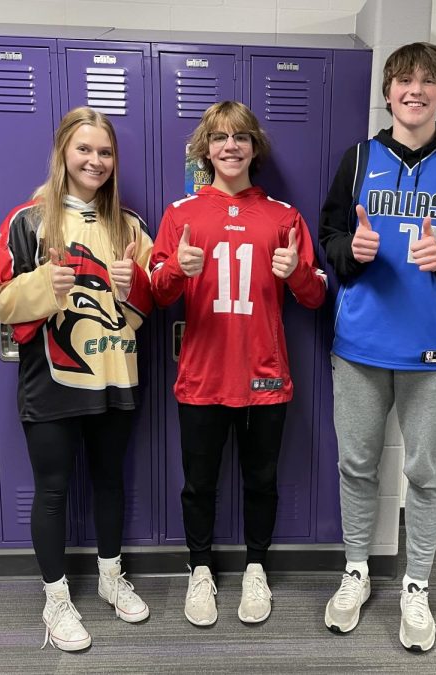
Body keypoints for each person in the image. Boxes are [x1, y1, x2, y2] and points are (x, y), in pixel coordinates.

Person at [318, 42, 436, 652]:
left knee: (426, 474)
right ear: (388, 91)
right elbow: (329, 236)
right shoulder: (358, 159)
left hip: (431, 353)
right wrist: (353, 252)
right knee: (357, 466)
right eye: (404, 80)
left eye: (428, 81)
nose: (415, 90)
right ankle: (355, 571)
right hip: (359, 348)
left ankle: (416, 584)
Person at [0, 106, 153, 651]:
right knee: (52, 491)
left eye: (104, 152)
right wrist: (42, 284)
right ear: (63, 153)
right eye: (84, 149)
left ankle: (109, 577)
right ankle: (56, 600)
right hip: (51, 382)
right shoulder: (26, 221)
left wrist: (134, 286)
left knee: (110, 482)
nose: (95, 160)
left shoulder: (129, 226)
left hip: (114, 375)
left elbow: (152, 303)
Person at [150, 101, 327, 627]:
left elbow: (316, 296)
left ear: (255, 148)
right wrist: (177, 273)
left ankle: (256, 567)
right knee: (198, 484)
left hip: (265, 375)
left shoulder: (283, 216)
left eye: (241, 137)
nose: (231, 146)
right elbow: (158, 295)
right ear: (206, 148)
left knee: (262, 480)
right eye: (220, 137)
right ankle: (199, 569)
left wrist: (296, 273)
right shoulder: (181, 214)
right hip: (203, 376)